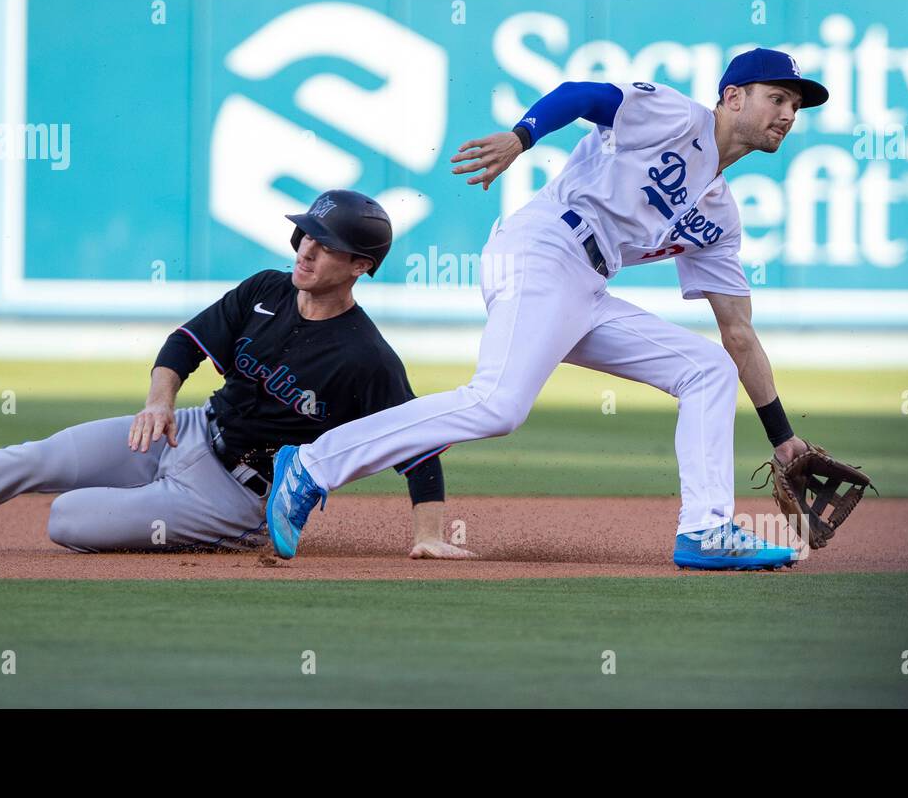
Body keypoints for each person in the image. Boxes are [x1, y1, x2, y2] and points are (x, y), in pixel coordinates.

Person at [268, 50, 831, 571]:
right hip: (542, 249)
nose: (788, 113)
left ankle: (705, 531)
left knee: (708, 368)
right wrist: (521, 137)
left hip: (585, 286)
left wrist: (781, 436)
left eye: (795, 106)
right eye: (776, 98)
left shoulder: (720, 217)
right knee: (498, 404)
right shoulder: (677, 117)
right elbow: (583, 93)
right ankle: (313, 465)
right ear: (733, 97)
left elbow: (738, 332)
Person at [0, 191, 472, 560]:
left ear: (361, 264)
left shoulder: (365, 358)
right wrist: (159, 402)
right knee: (37, 455)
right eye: (305, 234)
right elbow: (183, 345)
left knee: (67, 521)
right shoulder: (267, 289)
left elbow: (418, 444)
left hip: (234, 495)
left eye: (326, 243)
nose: (307, 248)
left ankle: (237, 534)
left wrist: (429, 536)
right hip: (187, 430)